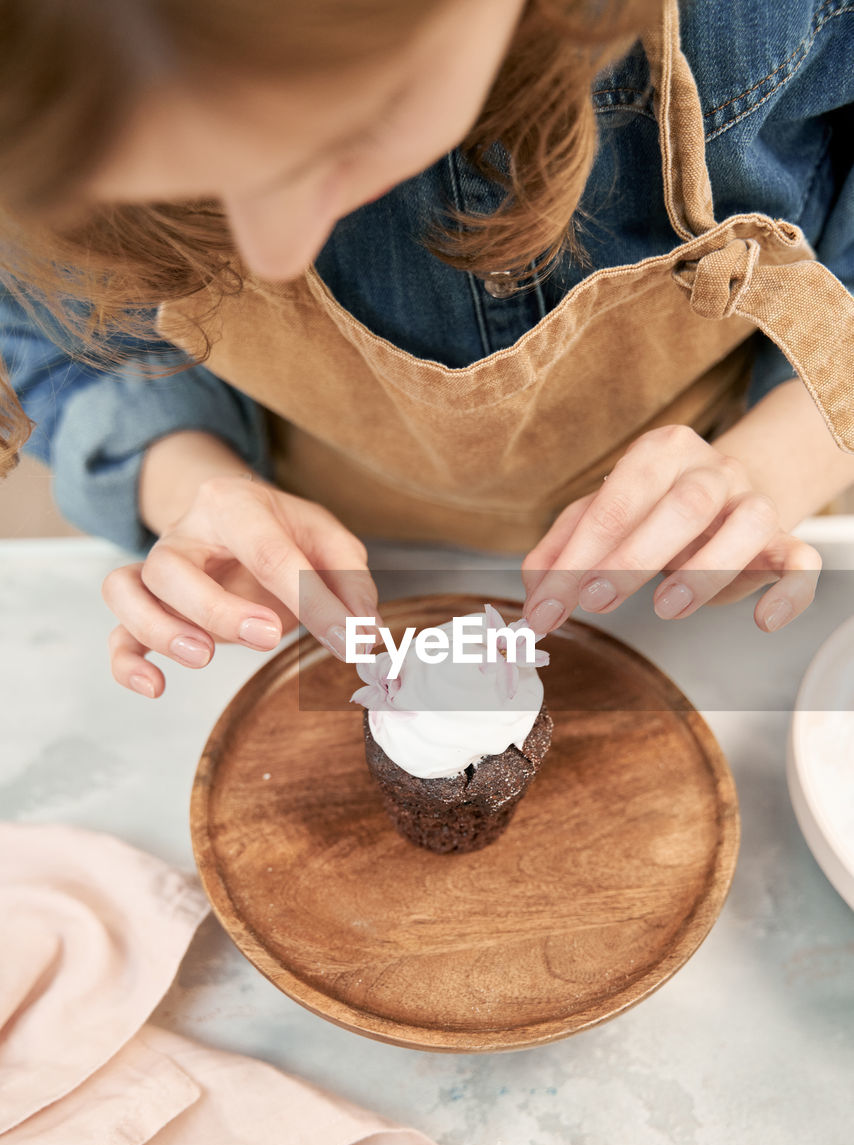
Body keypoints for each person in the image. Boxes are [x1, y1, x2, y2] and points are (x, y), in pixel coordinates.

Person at [1, 0, 853, 698]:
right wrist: (184, 476)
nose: (274, 255)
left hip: (714, 582)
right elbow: (44, 314)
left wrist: (784, 458)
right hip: (316, 552)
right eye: (184, 192)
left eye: (344, 141)